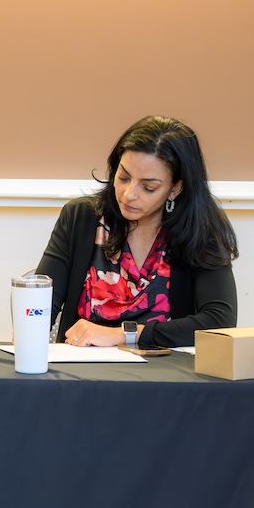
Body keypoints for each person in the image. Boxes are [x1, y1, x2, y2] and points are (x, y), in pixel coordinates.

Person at [35, 116, 238, 349]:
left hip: (166, 375)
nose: (128, 194)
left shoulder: (200, 229)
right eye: (123, 177)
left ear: (175, 189)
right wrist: (28, 333)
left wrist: (127, 334)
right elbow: (41, 302)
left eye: (148, 187)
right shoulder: (81, 217)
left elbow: (219, 321)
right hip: (84, 373)